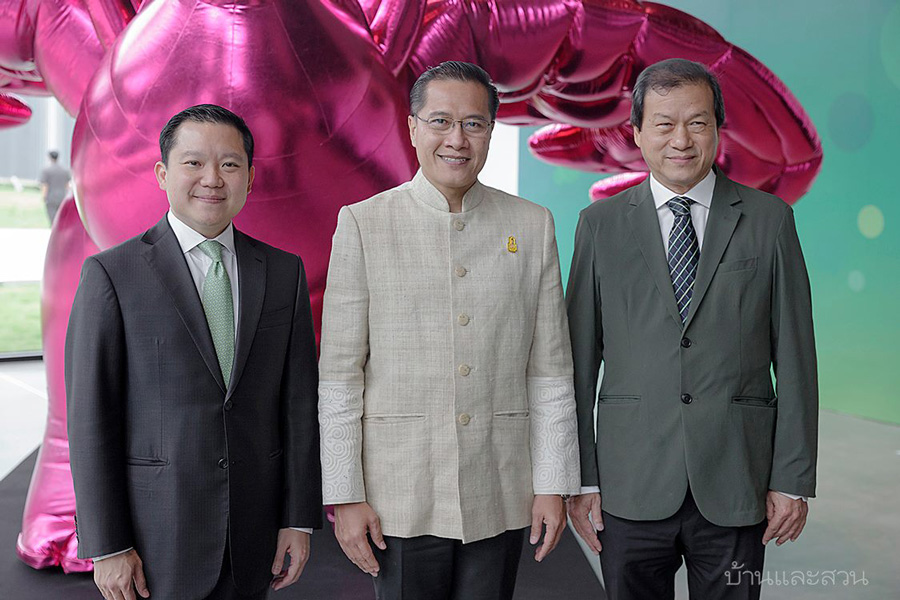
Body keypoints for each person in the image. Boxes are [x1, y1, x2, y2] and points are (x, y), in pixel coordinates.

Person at [318, 61, 580, 600]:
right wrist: (344, 495)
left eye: (473, 124)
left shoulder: (531, 224)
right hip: (398, 490)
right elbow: (341, 376)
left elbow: (550, 371)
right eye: (440, 121)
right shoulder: (365, 223)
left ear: (491, 131)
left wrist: (553, 483)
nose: (456, 139)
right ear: (413, 128)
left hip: (501, 483)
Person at [565, 58, 818, 600]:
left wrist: (792, 478)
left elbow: (796, 361)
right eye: (664, 124)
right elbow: (578, 367)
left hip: (737, 478)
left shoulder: (770, 220)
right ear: (637, 132)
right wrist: (580, 478)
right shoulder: (599, 226)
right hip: (629, 482)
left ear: (717, 129)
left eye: (697, 123)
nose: (681, 140)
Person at [66, 104, 322, 600]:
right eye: (193, 163)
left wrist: (298, 519)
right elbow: (91, 418)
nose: (212, 179)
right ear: (163, 174)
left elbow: (297, 406)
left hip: (254, 534)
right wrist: (107, 544)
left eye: (229, 164)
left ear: (250, 177)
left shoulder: (283, 272)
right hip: (155, 537)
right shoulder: (112, 275)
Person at [39, 149, 71, 223]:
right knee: (61, 217)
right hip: (62, 197)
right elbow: (67, 185)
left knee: (52, 217)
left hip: (51, 197)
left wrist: (44, 196)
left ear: (49, 158)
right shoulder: (65, 170)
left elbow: (45, 185)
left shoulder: (46, 170)